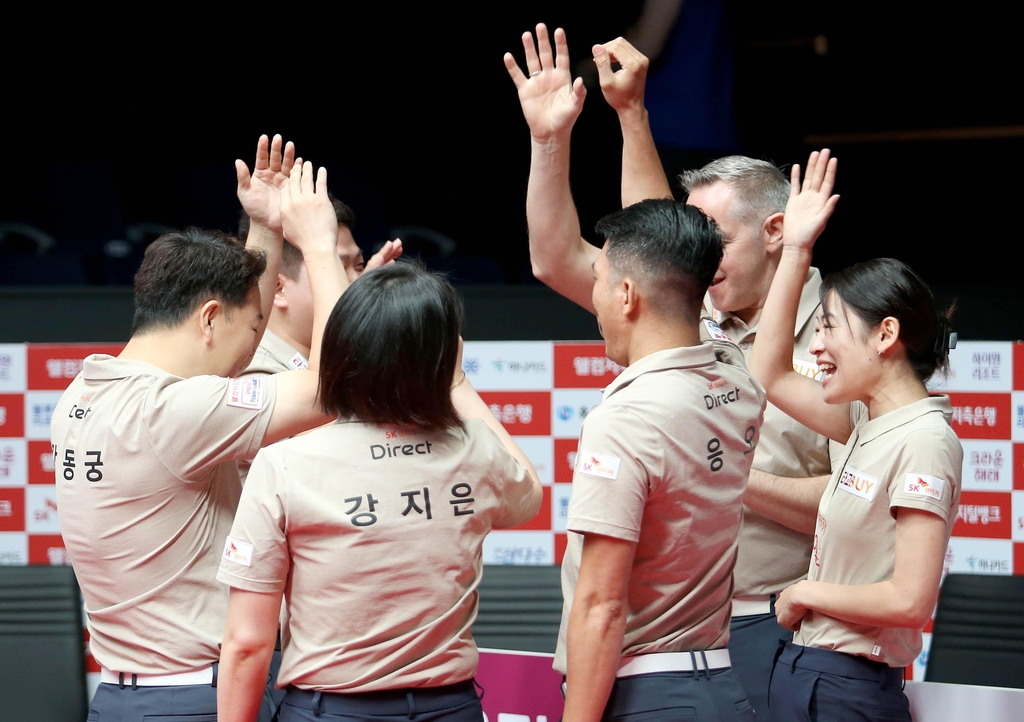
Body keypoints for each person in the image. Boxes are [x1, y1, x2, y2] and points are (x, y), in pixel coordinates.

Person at [505, 25, 831, 715]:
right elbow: (632, 243)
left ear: (777, 233)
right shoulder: (697, 322)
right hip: (673, 646)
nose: (702, 261)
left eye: (717, 241)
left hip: (774, 628)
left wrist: (712, 472)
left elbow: (862, 502)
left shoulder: (838, 340)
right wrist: (618, 119)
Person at [52, 136, 347, 722]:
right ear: (209, 317)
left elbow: (237, 346)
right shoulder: (175, 414)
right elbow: (334, 382)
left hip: (121, 697)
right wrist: (317, 243)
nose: (255, 345)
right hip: (196, 701)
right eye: (249, 327)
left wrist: (265, 230)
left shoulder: (82, 393)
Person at [215, 262, 544, 722]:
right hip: (452, 707)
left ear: (342, 350)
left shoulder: (285, 461)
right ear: (442, 356)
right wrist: (459, 383)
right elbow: (529, 492)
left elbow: (248, 642)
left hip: (329, 711)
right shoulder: (477, 449)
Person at [749, 150, 962, 721]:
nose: (815, 348)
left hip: (850, 683)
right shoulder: (869, 421)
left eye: (828, 328)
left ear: (885, 333)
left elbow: (909, 600)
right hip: (808, 670)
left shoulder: (924, 439)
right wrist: (795, 251)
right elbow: (767, 371)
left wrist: (801, 593)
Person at [546, 197, 765, 721]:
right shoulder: (738, 380)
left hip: (646, 696)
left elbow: (601, 606)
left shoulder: (625, 419)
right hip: (720, 690)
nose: (592, 297)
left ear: (626, 295)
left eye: (598, 279)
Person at [238, 197, 402, 375]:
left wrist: (366, 308)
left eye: (360, 266)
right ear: (278, 288)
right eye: (338, 267)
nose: (358, 281)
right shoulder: (255, 374)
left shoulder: (339, 354)